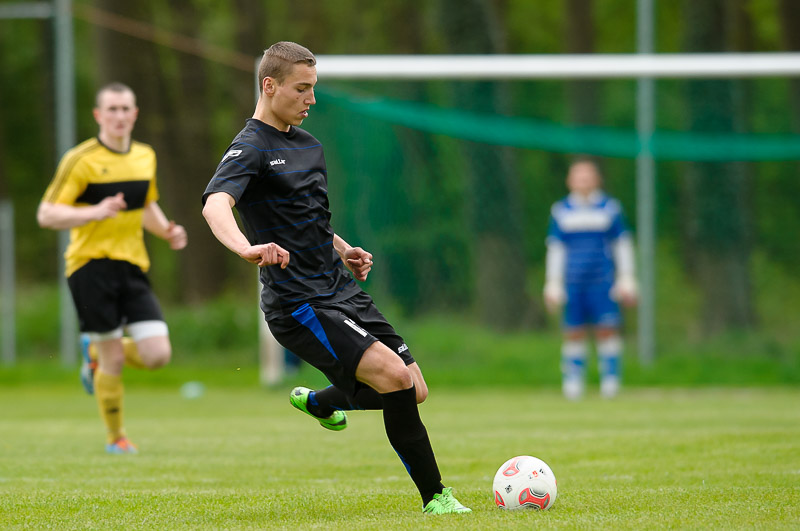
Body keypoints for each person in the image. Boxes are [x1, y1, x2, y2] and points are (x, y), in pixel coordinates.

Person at [201, 41, 471, 515]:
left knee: (414, 388)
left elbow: (310, 221)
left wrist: (344, 250)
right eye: (301, 89)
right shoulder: (250, 147)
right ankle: (437, 498)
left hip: (339, 288)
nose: (311, 99)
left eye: (313, 88)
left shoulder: (309, 145)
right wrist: (246, 248)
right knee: (394, 379)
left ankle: (321, 403)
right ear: (269, 85)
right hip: (298, 303)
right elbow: (215, 204)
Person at [38, 82, 187, 454]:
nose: (119, 116)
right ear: (98, 115)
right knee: (114, 360)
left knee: (157, 355)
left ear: (134, 114)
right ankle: (116, 438)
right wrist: (95, 211)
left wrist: (166, 230)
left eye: (125, 109)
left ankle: (94, 353)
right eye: (112, 109)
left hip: (132, 265)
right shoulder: (80, 159)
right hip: (89, 266)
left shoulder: (145, 156)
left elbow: (145, 204)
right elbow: (47, 214)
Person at [543, 157, 637, 400]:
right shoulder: (561, 211)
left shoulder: (609, 208)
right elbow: (556, 248)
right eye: (579, 176)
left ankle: (610, 381)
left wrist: (627, 278)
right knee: (573, 331)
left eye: (588, 176)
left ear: (597, 179)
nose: (583, 181)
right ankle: (573, 382)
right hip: (574, 282)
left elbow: (622, 244)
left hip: (602, 281)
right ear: (570, 180)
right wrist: (553, 283)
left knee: (607, 330)